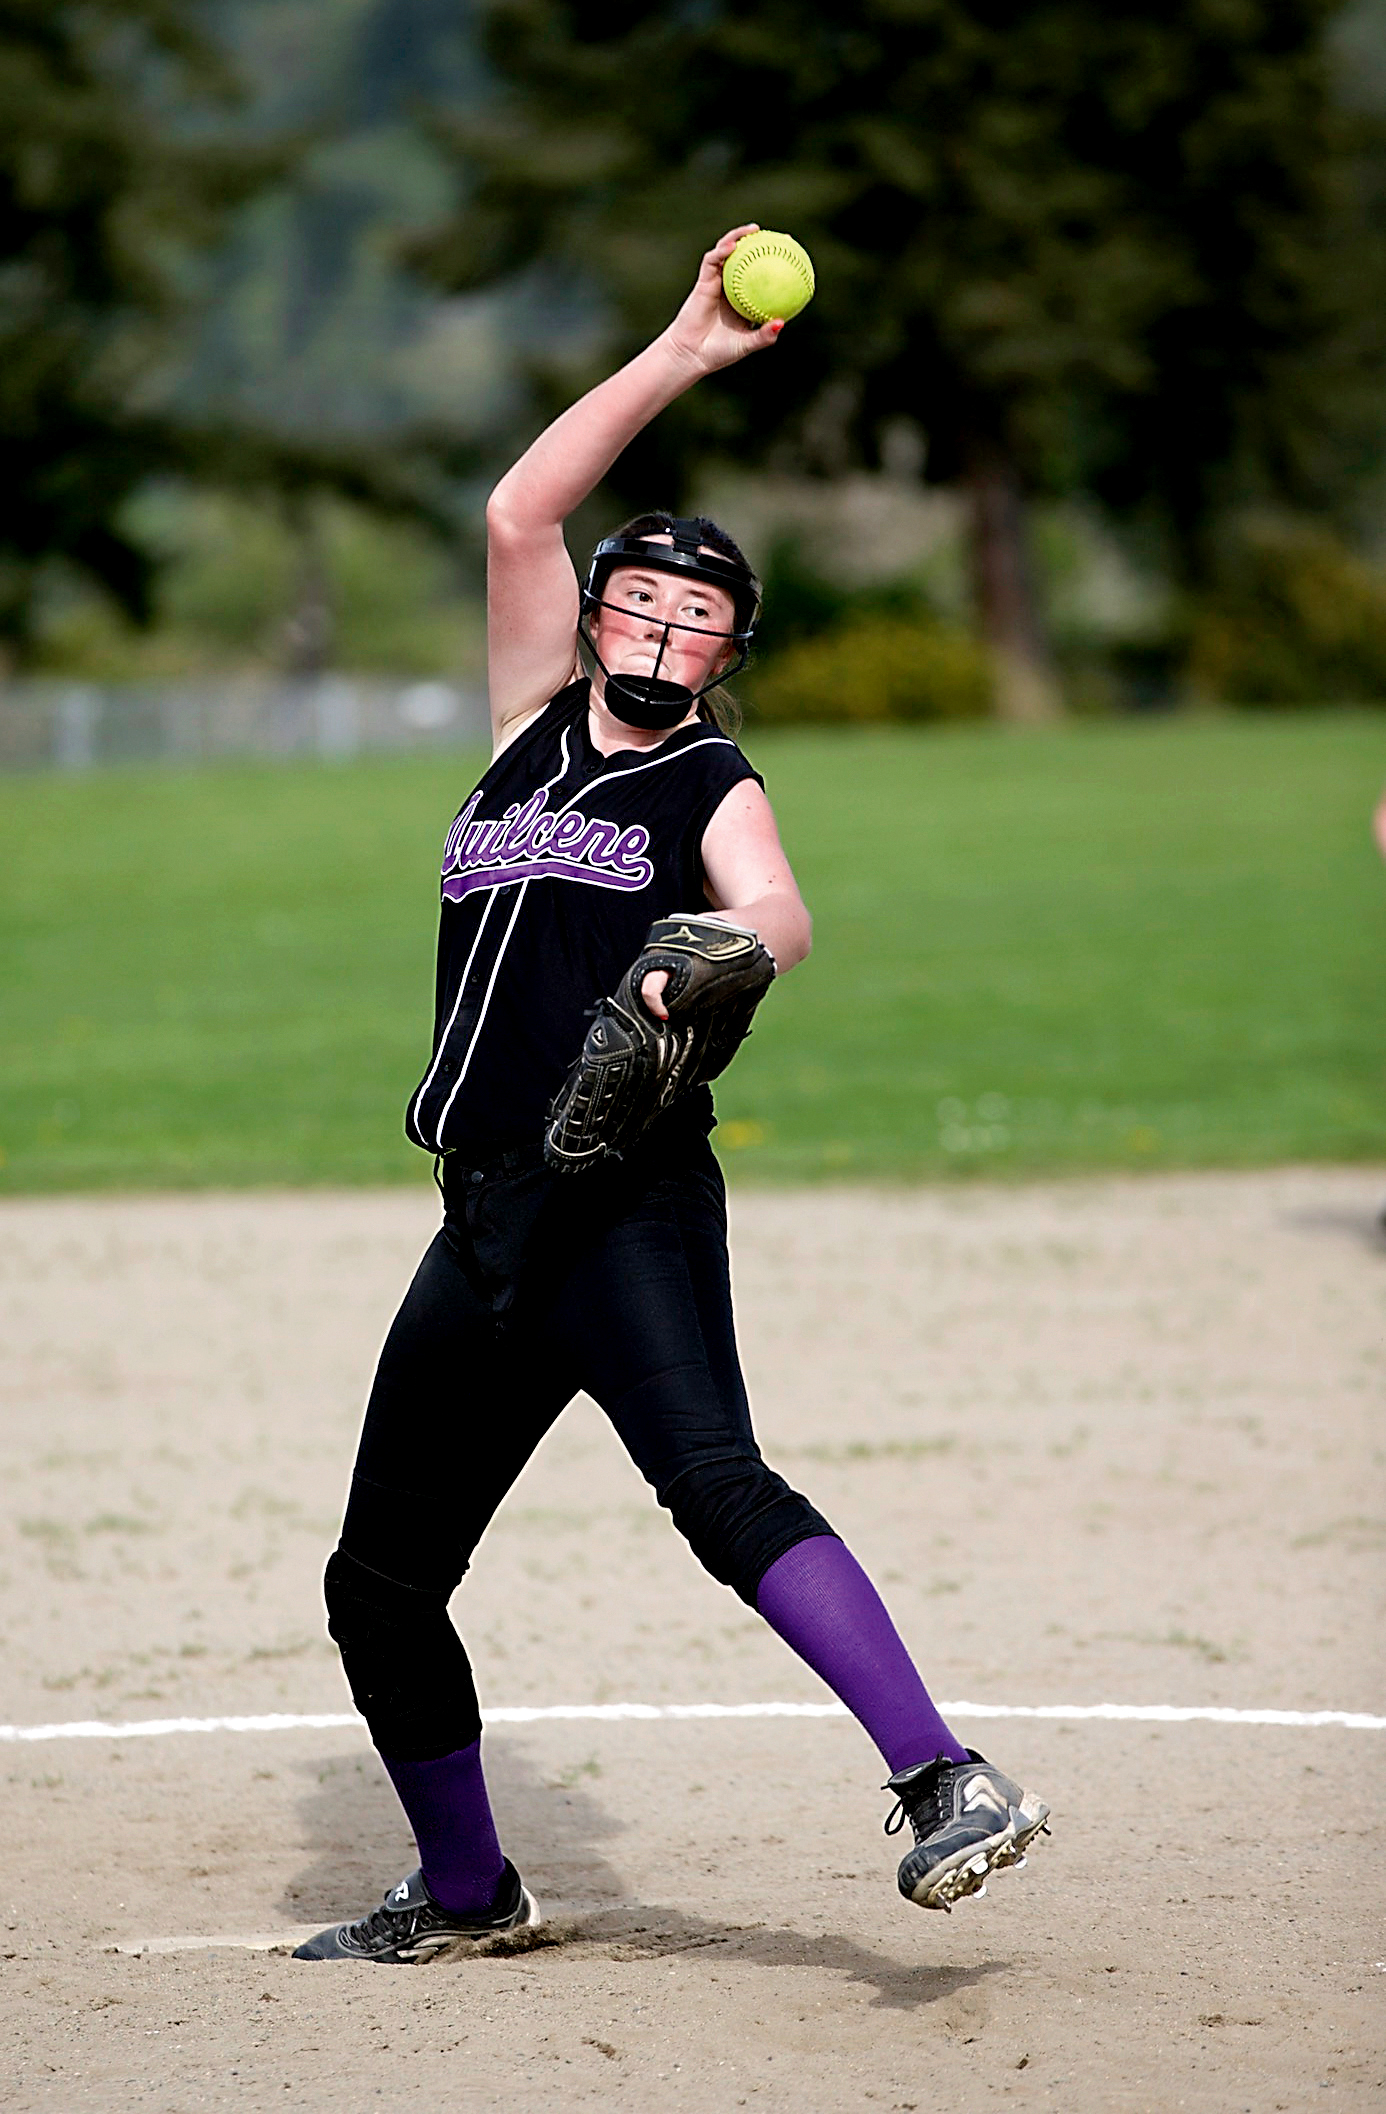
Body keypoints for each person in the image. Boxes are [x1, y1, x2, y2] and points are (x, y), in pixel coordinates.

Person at [294, 227, 1049, 1965]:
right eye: (637, 596)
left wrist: (721, 951)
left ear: (723, 657)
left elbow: (777, 899)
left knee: (714, 1482)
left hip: (620, 1196)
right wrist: (684, 353)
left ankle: (943, 1776)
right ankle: (471, 1890)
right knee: (379, 1583)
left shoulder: (708, 776)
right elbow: (514, 513)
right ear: (596, 617)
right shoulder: (523, 730)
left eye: (697, 616)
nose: (657, 623)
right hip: (484, 1215)